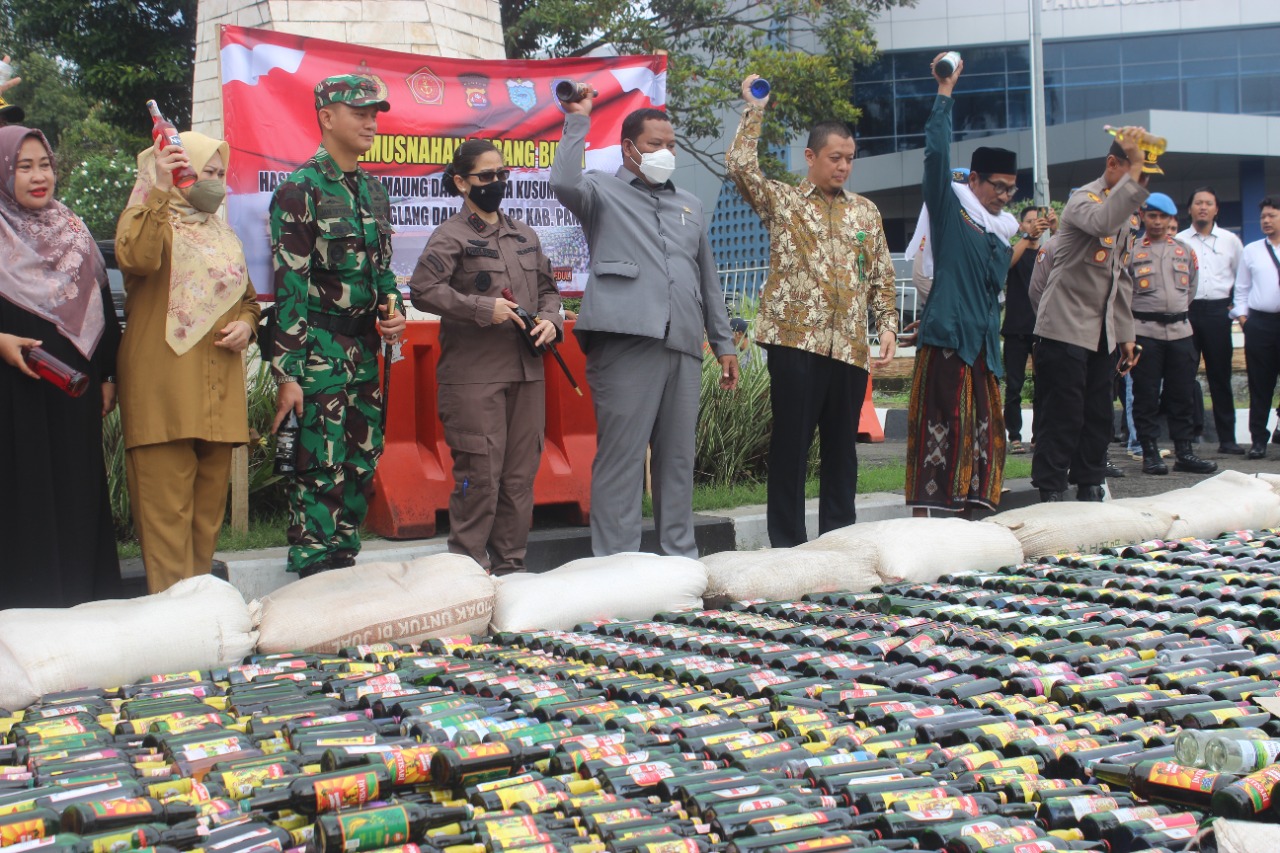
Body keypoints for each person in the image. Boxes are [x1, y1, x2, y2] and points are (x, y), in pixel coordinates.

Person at [549, 90, 738, 559]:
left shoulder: (690, 205)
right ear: (629, 148)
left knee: (678, 460)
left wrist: (723, 343)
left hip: (682, 345)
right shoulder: (600, 190)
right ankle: (618, 565)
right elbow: (563, 182)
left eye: (671, 145)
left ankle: (680, 560)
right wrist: (577, 122)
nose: (665, 153)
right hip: (625, 341)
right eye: (655, 145)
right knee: (623, 458)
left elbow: (707, 280)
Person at [726, 74, 897, 547]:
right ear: (811, 157)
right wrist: (755, 108)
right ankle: (788, 543)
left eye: (849, 159)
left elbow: (880, 274)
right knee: (791, 448)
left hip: (847, 347)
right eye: (834, 158)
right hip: (795, 344)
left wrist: (885, 326)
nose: (843, 167)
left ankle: (839, 542)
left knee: (843, 451)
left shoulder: (866, 212)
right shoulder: (783, 202)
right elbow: (740, 166)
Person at [268, 75, 406, 577]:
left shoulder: (373, 188)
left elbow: (384, 269)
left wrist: (393, 310)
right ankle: (311, 569)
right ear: (327, 117)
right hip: (318, 348)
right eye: (360, 112)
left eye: (376, 113)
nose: (372, 122)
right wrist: (288, 374)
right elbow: (290, 288)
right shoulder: (299, 190)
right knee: (318, 463)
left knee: (362, 460)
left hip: (364, 346)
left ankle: (343, 559)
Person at [114, 132, 261, 594]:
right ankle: (170, 625)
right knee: (165, 523)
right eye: (206, 173)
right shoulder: (145, 218)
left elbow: (249, 300)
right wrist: (158, 188)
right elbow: (136, 257)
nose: (215, 184)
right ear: (177, 172)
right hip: (165, 392)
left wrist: (246, 325)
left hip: (219, 396)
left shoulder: (222, 235)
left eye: (220, 174)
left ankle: (201, 621)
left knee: (204, 525)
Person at [409, 139, 562, 574]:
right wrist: (482, 308)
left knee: (518, 480)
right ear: (461, 182)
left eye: (502, 175)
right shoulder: (451, 236)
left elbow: (549, 290)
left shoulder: (523, 234)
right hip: (474, 379)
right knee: (479, 477)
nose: (496, 183)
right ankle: (469, 571)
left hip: (527, 373)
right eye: (485, 176)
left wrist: (552, 320)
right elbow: (423, 290)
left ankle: (511, 568)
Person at [0, 125, 122, 608]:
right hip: (12, 391)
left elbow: (104, 307)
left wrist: (109, 374)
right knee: (21, 492)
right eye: (23, 166)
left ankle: (81, 599)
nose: (38, 177)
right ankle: (23, 605)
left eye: (44, 165)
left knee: (76, 488)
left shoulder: (72, 228)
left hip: (74, 386)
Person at [904, 55, 1019, 517]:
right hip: (949, 340)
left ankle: (974, 515)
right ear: (974, 180)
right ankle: (933, 516)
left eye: (1012, 188)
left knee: (988, 434)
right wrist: (945, 94)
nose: (1006, 195)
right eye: (998, 186)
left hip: (983, 349)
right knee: (942, 427)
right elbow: (935, 155)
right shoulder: (953, 212)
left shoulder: (999, 230)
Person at [1032, 129, 1149, 502]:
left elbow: (1121, 279)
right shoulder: (1085, 199)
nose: (1139, 184)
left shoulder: (1126, 216)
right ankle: (1051, 487)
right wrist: (1133, 182)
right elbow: (1102, 223)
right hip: (1064, 326)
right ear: (1113, 164)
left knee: (1099, 413)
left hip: (1102, 332)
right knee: (1063, 414)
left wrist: (1126, 333)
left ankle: (1089, 481)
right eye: (1135, 173)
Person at [1126, 193, 1217, 476]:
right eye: (1151, 216)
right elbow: (1122, 294)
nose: (1157, 222)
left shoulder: (1184, 250)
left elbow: (1190, 289)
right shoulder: (1131, 251)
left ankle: (1184, 451)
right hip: (1145, 332)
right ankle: (1150, 452)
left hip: (1180, 332)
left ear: (1171, 220)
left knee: (1182, 395)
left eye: (1163, 217)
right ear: (1143, 216)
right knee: (1146, 395)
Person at [1177, 186, 1244, 454]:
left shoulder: (1230, 241)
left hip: (1218, 313)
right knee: (1183, 377)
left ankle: (1227, 439)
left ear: (1216, 209)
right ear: (1190, 208)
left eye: (1208, 203)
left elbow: (1242, 280)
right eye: (1198, 203)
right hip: (1187, 312)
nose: (1203, 207)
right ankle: (1184, 440)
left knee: (1220, 376)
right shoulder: (1180, 241)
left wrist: (1236, 309)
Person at [1004, 205, 1057, 454]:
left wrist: (1055, 229)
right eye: (1029, 221)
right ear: (1022, 225)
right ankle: (1014, 436)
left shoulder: (1048, 253)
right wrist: (1027, 237)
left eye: (1039, 221)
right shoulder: (1016, 250)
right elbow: (1006, 264)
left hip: (1042, 329)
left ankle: (1039, 436)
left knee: (1043, 385)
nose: (1035, 225)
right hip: (1015, 328)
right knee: (1014, 386)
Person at [1232, 196, 1280, 460]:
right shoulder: (1252, 250)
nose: (1266, 221)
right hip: (1260, 323)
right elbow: (1241, 290)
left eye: (1272, 215)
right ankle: (1258, 440)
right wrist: (1244, 321)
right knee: (1260, 385)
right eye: (1263, 217)